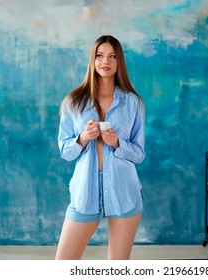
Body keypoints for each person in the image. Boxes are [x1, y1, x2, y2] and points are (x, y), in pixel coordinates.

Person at [55, 35, 146, 260]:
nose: (105, 61)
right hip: (85, 191)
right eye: (100, 55)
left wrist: (117, 143)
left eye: (112, 56)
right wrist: (84, 137)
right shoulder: (73, 102)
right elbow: (65, 152)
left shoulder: (133, 102)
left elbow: (139, 154)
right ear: (93, 60)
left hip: (124, 191)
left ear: (118, 62)